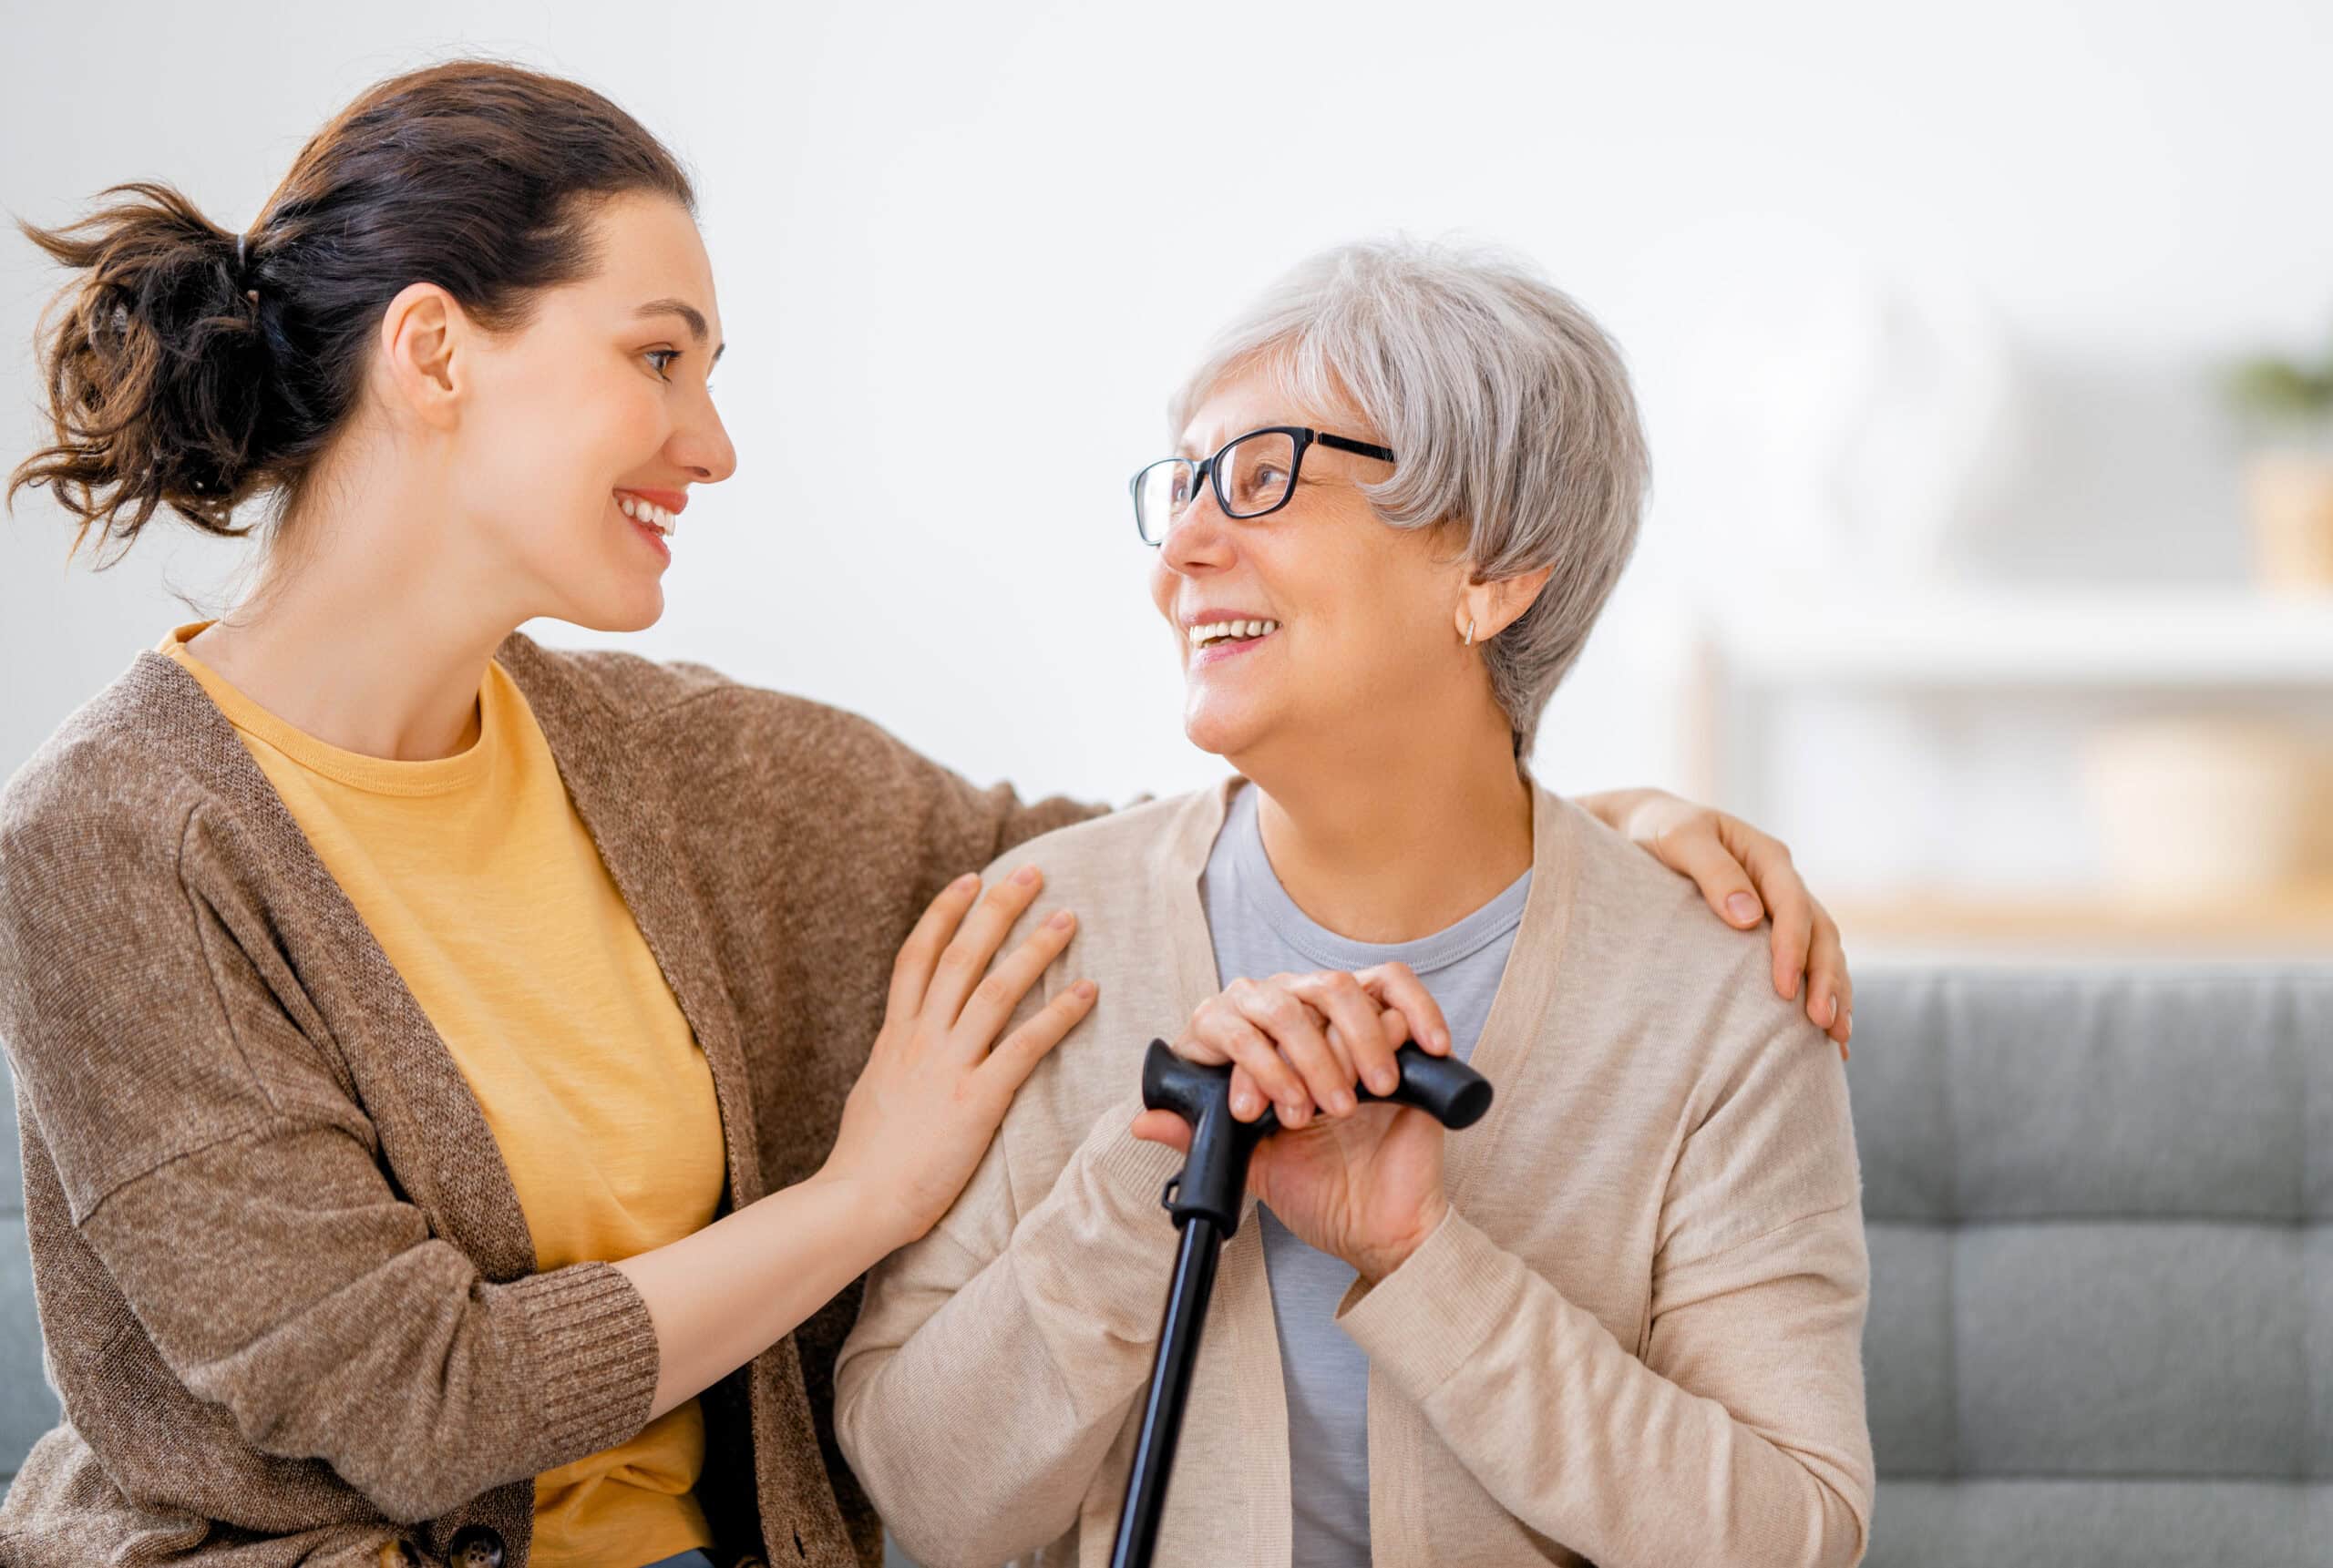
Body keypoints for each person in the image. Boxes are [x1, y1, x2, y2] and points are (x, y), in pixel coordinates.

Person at [0, 64, 1854, 1568]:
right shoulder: (113, 844)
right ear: (434, 355)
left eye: (707, 373)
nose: (713, 441)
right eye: (661, 357)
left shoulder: (673, 768)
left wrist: (1570, 821)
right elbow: (415, 1402)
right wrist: (869, 1195)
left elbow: (1138, 856)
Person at [837, 241, 1872, 1567]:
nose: (1185, 551)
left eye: (1264, 477)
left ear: (1493, 567)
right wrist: (1143, 1177)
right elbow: (926, 1500)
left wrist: (1424, 1258)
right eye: (1187, 487)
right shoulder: (1045, 936)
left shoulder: (1721, 992)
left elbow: (1793, 1538)